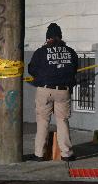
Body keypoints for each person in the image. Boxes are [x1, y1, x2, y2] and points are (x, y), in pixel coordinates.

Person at [28, 23, 78, 161]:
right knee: (62, 121)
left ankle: (39, 154)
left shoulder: (41, 52)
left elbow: (31, 69)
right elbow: (74, 69)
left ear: (47, 38)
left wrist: (43, 75)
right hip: (63, 91)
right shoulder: (70, 51)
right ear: (60, 36)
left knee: (43, 121)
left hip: (44, 89)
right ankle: (66, 154)